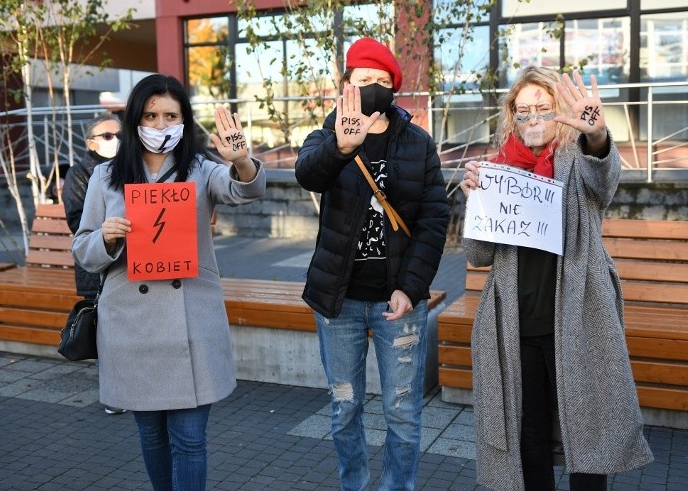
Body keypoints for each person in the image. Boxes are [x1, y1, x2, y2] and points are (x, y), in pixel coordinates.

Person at [459, 67, 653, 491]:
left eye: (543, 109)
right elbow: (478, 256)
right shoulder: (497, 170)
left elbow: (605, 179)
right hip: (516, 325)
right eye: (523, 110)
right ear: (512, 115)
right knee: (527, 438)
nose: (533, 118)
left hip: (575, 321)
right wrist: (474, 205)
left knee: (587, 434)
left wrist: (598, 136)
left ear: (559, 113)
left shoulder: (576, 160)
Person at [72, 74, 266, 491]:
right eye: (151, 116)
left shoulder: (200, 168)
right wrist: (106, 236)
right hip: (132, 324)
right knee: (151, 436)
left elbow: (244, 190)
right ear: (134, 121)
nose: (160, 126)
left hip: (191, 321)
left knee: (190, 441)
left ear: (184, 119)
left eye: (171, 116)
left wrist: (242, 159)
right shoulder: (107, 176)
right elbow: (82, 249)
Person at [295, 37, 450, 491]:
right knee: (345, 408)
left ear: (395, 90)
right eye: (364, 80)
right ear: (346, 85)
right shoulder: (326, 136)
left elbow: (434, 217)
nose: (374, 88)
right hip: (338, 300)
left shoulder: (418, 143)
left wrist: (412, 286)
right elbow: (308, 173)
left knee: (402, 410)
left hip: (397, 300)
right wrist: (342, 146)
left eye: (383, 82)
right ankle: (356, 486)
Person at [63, 112, 126, 415]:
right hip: (97, 263)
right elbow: (77, 220)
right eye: (108, 136)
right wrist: (108, 231)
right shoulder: (81, 172)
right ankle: (113, 393)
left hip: (125, 262)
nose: (116, 141)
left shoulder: (128, 167)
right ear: (91, 142)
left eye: (120, 135)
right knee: (107, 332)